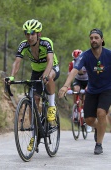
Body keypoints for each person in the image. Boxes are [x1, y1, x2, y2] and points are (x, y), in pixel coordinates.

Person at [6, 19, 60, 151]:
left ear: (38, 34)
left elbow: (50, 60)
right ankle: (34, 134)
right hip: (36, 71)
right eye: (27, 33)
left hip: (51, 68)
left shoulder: (46, 42)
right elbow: (17, 62)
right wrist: (12, 76)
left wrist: (46, 75)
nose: (29, 37)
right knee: (34, 99)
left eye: (32, 33)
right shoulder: (23, 45)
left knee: (49, 78)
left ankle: (51, 106)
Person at [58, 28, 111, 155]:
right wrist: (66, 86)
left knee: (101, 113)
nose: (93, 40)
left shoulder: (108, 54)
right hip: (91, 90)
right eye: (91, 38)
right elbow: (75, 70)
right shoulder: (85, 56)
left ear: (102, 40)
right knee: (88, 120)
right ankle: (98, 127)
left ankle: (99, 144)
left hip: (107, 89)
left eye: (96, 38)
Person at [68, 49, 92, 133]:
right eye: (75, 59)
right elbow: (69, 77)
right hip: (78, 80)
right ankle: (75, 109)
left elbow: (92, 77)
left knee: (86, 98)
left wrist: (87, 88)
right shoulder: (72, 64)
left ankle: (88, 122)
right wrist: (68, 88)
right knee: (76, 90)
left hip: (87, 81)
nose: (76, 61)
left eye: (78, 59)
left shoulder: (87, 63)